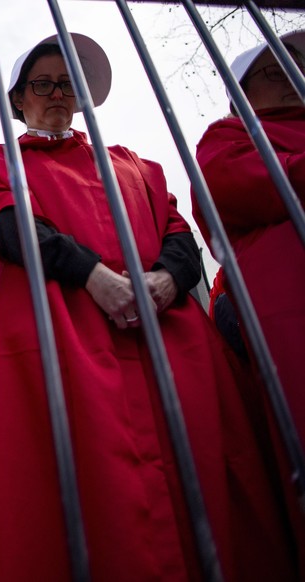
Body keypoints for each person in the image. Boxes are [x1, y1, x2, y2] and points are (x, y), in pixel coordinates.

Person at [0, 32, 296, 581]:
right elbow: (8, 225)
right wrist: (93, 276)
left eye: (69, 85)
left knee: (206, 486)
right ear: (18, 100)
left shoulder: (135, 164)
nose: (57, 94)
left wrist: (167, 279)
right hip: (68, 343)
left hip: (169, 341)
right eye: (42, 84)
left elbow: (179, 231)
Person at [194, 28, 305, 570]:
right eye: (272, 70)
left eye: (297, 65)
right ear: (241, 92)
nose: (290, 76)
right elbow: (240, 187)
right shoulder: (230, 138)